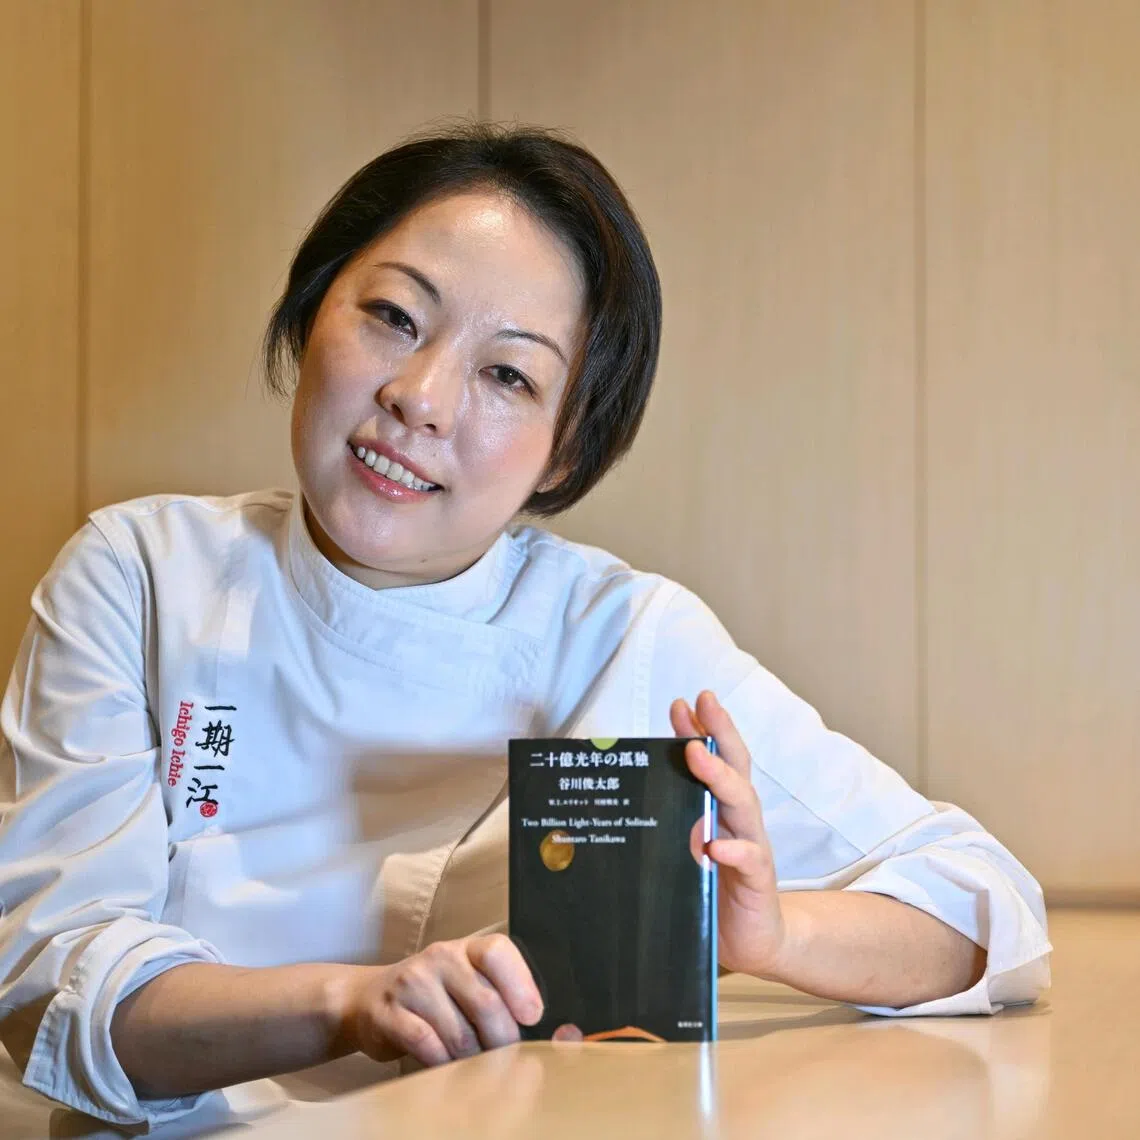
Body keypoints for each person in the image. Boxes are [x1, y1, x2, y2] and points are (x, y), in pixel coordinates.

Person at [0, 123, 1050, 1130]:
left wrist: (775, 935)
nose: (419, 397)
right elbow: (48, 988)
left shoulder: (621, 635)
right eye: (393, 317)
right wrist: (356, 1002)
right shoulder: (140, 575)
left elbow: (984, 902)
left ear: (563, 453)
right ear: (311, 310)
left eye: (507, 375)